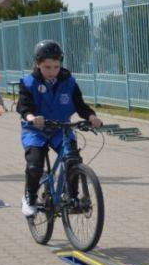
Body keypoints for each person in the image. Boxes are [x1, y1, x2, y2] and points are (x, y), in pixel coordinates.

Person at [16, 40, 102, 217]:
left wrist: (91, 116)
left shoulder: (69, 82)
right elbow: (23, 107)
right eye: (47, 67)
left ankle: (72, 198)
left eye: (56, 66)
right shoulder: (29, 83)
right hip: (35, 131)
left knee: (73, 160)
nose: (52, 71)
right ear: (37, 64)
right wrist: (31, 118)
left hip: (60, 129)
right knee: (34, 165)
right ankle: (29, 197)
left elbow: (80, 105)